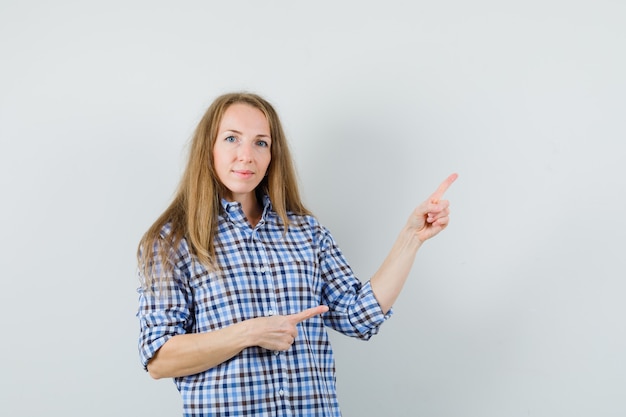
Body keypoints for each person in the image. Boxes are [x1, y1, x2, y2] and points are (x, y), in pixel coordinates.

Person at [136, 91, 457, 417]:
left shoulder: (305, 232)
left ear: (273, 155)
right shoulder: (171, 242)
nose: (247, 155)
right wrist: (249, 332)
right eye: (232, 138)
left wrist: (411, 238)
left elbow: (358, 315)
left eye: (261, 142)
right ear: (209, 148)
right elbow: (159, 361)